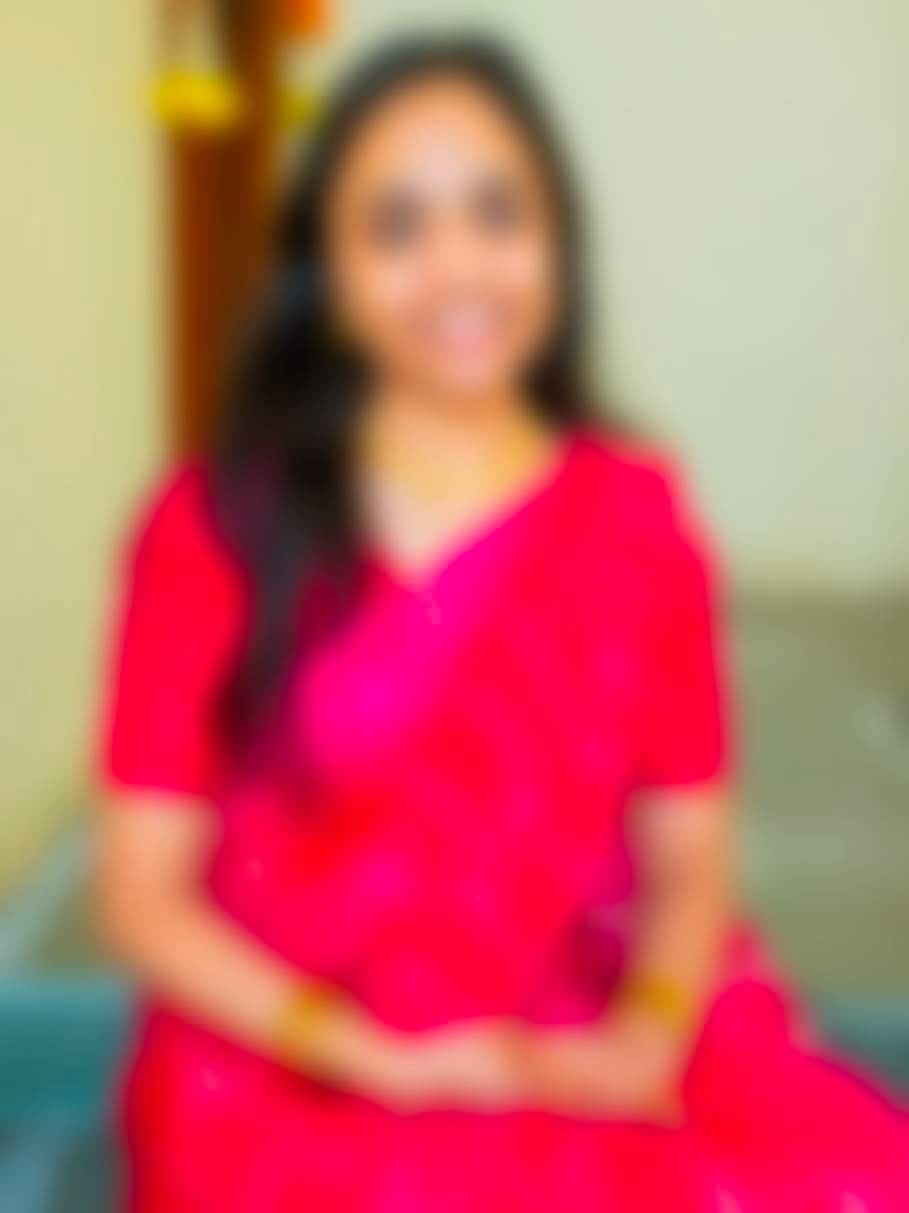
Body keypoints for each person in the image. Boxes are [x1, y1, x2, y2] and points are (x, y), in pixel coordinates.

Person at [94, 33, 909, 1212]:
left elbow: (690, 853)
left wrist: (644, 1039)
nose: (459, 268)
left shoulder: (635, 517)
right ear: (328, 273)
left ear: (555, 244)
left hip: (573, 1014)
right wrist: (368, 1055)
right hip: (291, 1046)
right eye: (398, 228)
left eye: (497, 214)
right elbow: (140, 894)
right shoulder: (214, 524)